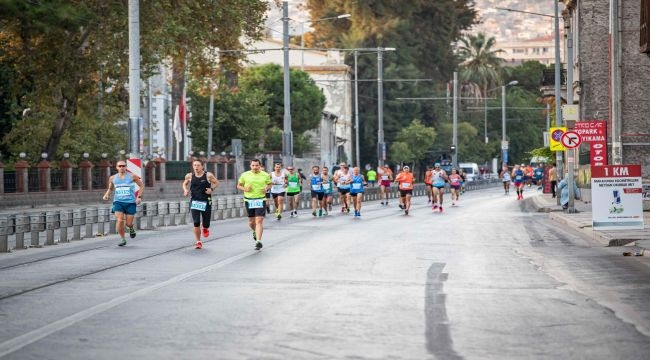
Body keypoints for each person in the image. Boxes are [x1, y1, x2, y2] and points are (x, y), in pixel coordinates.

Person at [102, 160, 144, 247]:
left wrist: (139, 197)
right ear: (117, 167)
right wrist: (106, 194)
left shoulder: (132, 176)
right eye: (120, 166)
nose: (121, 167)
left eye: (123, 166)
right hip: (118, 202)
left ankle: (131, 228)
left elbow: (141, 186)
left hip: (130, 202)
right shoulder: (113, 178)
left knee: (128, 223)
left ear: (126, 167)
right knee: (120, 220)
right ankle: (122, 239)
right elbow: (111, 188)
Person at [182, 160, 219, 249]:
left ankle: (205, 228)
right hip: (194, 201)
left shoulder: (208, 175)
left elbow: (217, 183)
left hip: (206, 201)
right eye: (194, 165)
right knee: (196, 222)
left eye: (198, 165)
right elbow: (184, 183)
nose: (196, 167)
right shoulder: (189, 176)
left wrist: (212, 189)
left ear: (202, 166)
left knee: (206, 223)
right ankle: (198, 241)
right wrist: (185, 190)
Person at [237, 159, 271, 250]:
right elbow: (239, 185)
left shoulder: (265, 175)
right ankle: (254, 231)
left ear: (260, 166)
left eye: (257, 165)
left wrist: (266, 189)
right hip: (249, 200)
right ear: (250, 166)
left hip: (260, 199)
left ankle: (258, 241)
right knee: (251, 222)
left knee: (259, 221)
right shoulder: (245, 175)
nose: (255, 167)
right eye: (253, 165)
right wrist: (245, 189)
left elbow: (270, 184)